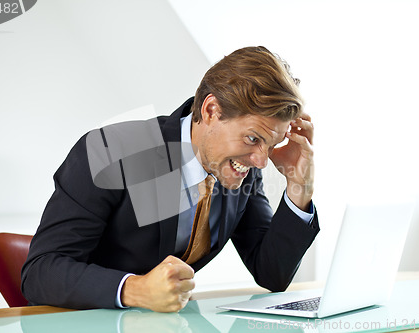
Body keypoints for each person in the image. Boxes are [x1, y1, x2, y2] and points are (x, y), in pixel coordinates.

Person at [21, 46, 319, 312]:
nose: (261, 161)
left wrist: (298, 186)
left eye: (270, 144)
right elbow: (40, 273)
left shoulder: (241, 169)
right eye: (253, 138)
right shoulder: (110, 152)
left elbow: (272, 274)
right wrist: (134, 289)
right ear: (211, 110)